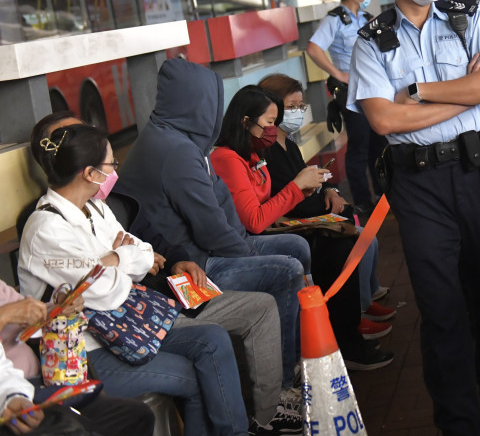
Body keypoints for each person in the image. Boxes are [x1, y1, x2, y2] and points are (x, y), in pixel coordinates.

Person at [348, 0, 480, 436]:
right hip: (418, 188)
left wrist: (422, 93)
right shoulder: (370, 42)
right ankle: (457, 419)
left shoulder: (468, 15)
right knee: (440, 306)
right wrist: (463, 92)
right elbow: (383, 120)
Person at [28, 112, 297, 436]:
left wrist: (117, 259)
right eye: (111, 166)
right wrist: (122, 259)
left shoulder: (96, 208)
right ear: (89, 172)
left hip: (131, 318)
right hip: (89, 348)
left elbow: (141, 254)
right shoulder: (46, 227)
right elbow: (109, 289)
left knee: (213, 339)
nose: (115, 172)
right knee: (206, 353)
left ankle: (253, 423)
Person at [115, 58, 309, 399]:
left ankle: (292, 356)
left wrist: (245, 245)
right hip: (192, 264)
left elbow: (221, 207)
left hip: (210, 249)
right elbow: (210, 229)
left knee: (296, 246)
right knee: (286, 269)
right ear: (199, 102)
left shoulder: (185, 142)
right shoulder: (174, 149)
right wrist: (248, 252)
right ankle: (281, 387)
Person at [211, 84, 395, 371]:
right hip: (250, 242)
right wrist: (298, 189)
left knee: (343, 242)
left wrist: (313, 190)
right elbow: (255, 221)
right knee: (335, 250)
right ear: (246, 122)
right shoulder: (227, 158)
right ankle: (340, 342)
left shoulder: (252, 154)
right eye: (269, 123)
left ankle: (344, 335)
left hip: (274, 229)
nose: (273, 129)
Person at [257, 73, 392, 314]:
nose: (297, 112)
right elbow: (292, 198)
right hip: (295, 224)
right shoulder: (266, 152)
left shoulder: (288, 143)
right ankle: (358, 313)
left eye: (301, 106)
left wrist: (330, 190)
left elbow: (312, 180)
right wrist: (328, 201)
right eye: (290, 107)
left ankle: (365, 301)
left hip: (311, 214)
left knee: (365, 237)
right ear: (272, 108)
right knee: (359, 240)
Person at [0, 280, 154, 436]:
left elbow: (31, 316)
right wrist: (4, 315)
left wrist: (60, 309)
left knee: (136, 416)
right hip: (22, 387)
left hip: (40, 383)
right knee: (76, 429)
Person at [306, 0, 387, 215]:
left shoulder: (365, 17)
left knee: (379, 142)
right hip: (351, 91)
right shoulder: (335, 20)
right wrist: (338, 73)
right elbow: (313, 48)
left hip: (373, 87)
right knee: (360, 143)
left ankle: (384, 195)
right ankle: (363, 202)